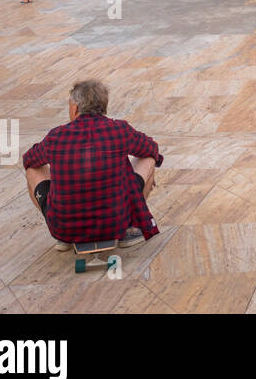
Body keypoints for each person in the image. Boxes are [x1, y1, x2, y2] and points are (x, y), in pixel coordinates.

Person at [22, 79, 163, 251]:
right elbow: (151, 148)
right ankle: (129, 229)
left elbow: (29, 159)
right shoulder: (120, 130)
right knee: (148, 157)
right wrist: (148, 176)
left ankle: (65, 240)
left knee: (33, 169)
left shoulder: (56, 137)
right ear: (104, 105)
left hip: (63, 229)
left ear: (74, 107)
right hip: (115, 223)